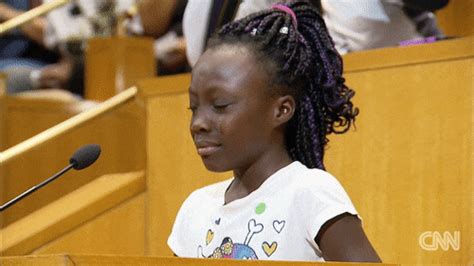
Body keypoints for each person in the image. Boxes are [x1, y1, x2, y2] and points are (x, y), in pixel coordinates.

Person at [168, 1, 380, 262]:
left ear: (281, 110)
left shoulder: (309, 193)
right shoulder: (195, 208)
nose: (198, 123)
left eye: (220, 105)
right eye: (193, 108)